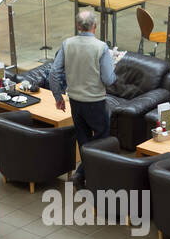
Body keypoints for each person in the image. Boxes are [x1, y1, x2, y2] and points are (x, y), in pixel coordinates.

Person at [49, 9, 121, 184]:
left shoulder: (67, 44)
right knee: (102, 137)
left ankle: (82, 174)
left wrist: (58, 97)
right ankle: (84, 174)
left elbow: (53, 73)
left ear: (77, 26)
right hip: (95, 101)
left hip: (74, 101)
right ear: (94, 26)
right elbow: (108, 79)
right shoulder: (101, 47)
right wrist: (114, 68)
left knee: (83, 139)